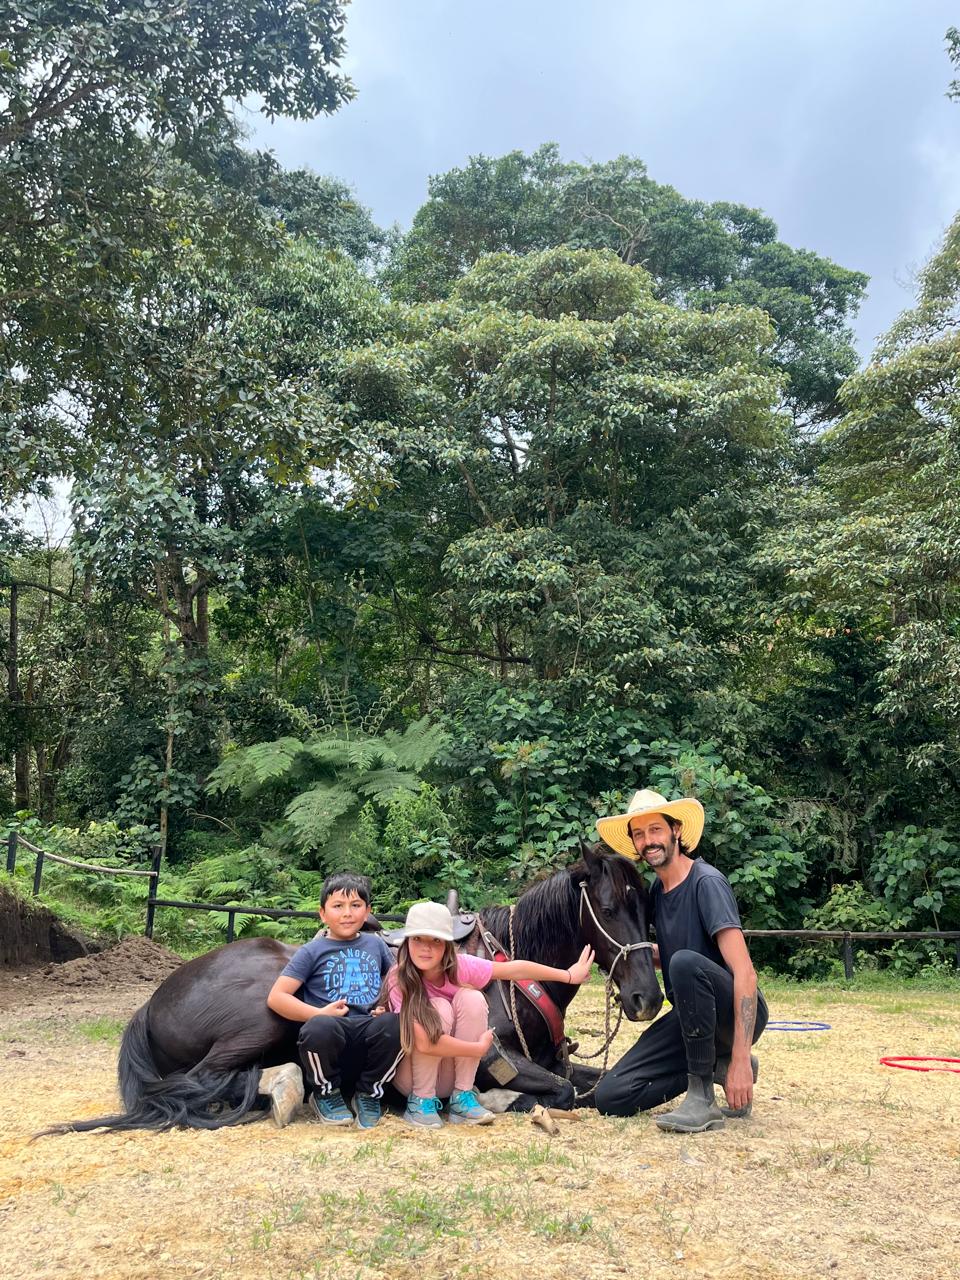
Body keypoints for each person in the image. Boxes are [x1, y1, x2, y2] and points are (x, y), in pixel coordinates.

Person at [593, 789, 768, 1132]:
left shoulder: (707, 883)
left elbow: (746, 973)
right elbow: (671, 955)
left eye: (655, 829)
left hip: (732, 1014)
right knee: (611, 1097)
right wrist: (624, 955)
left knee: (685, 964)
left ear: (676, 831)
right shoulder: (657, 893)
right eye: (639, 834)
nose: (648, 841)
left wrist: (740, 1059)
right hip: (691, 1017)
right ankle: (709, 1069)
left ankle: (703, 1098)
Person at [383, 900, 595, 1129]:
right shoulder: (400, 978)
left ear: (446, 945)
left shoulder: (458, 967)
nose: (426, 948)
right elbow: (424, 1044)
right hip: (412, 1079)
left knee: (472, 999)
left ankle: (462, 1096)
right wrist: (477, 1049)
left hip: (446, 1077)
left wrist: (568, 975)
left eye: (435, 940)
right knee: (438, 1009)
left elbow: (514, 969)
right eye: (418, 939)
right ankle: (420, 1102)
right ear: (406, 942)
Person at [266, 872, 400, 1130]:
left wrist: (386, 1006)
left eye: (356, 906)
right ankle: (325, 1093)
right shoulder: (311, 951)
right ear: (322, 913)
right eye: (338, 906)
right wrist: (318, 1013)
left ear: (368, 911)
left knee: (397, 1024)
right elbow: (277, 997)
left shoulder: (376, 945)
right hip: (332, 1029)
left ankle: (370, 1094)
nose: (347, 913)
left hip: (367, 1025)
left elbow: (395, 983)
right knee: (318, 1027)